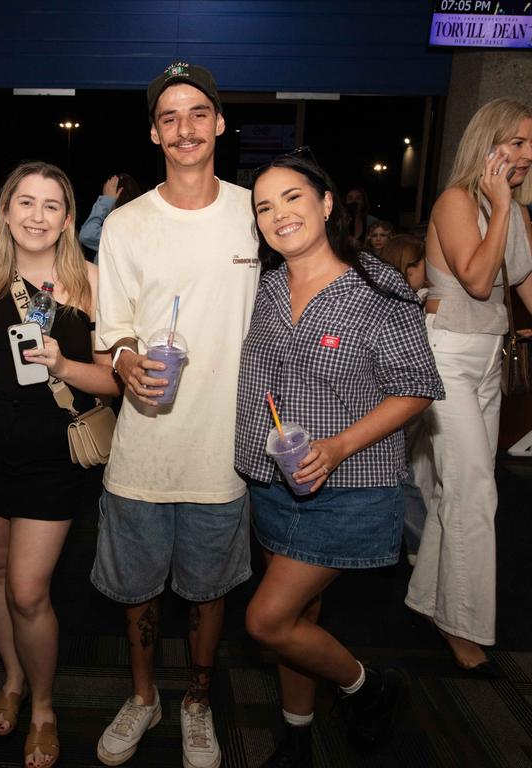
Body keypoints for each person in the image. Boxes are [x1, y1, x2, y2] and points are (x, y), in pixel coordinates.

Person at [235, 151, 444, 767]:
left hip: (345, 487)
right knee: (303, 612)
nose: (279, 215)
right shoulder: (268, 287)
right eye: (264, 207)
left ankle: (364, 684)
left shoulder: (378, 289)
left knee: (267, 621)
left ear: (326, 204)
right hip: (271, 480)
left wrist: (338, 445)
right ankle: (298, 733)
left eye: (293, 198)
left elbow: (417, 385)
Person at [92, 61, 259, 768]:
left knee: (208, 590)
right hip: (143, 448)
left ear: (219, 123)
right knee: (137, 592)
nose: (185, 128)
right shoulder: (128, 224)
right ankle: (142, 697)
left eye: (198, 113)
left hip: (222, 448)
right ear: (155, 133)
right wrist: (126, 360)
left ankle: (195, 700)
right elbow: (116, 329)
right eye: (170, 117)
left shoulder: (258, 212)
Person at [0, 161, 120, 768]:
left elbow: (113, 381)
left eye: (51, 205)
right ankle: (11, 677)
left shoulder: (90, 282)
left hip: (53, 459)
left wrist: (60, 363)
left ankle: (45, 707)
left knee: (29, 591)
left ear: (67, 217)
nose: (36, 216)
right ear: (4, 212)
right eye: (24, 203)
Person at [405, 97, 532, 674]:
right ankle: (463, 624)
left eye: (531, 145)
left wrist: (509, 208)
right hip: (446, 357)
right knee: (477, 490)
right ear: (488, 144)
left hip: (487, 362)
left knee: (458, 489)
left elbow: (524, 288)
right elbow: (480, 281)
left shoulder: (515, 211)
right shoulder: (457, 201)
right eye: (517, 144)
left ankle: (430, 602)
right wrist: (503, 208)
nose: (527, 156)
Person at [378, 234, 431, 564]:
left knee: (403, 474)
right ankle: (422, 549)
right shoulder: (411, 305)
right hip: (400, 402)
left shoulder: (384, 299)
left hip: (393, 401)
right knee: (402, 476)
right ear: (410, 268)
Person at [78, 173, 142, 257]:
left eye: (106, 194)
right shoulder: (139, 226)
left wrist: (106, 201)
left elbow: (87, 234)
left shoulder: (121, 232)